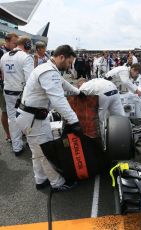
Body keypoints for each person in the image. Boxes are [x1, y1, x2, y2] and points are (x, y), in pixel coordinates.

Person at [15, 45, 82, 191]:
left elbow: (63, 83)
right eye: (69, 62)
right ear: (61, 57)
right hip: (33, 118)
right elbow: (58, 100)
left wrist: (77, 92)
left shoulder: (48, 69)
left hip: (31, 116)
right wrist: (74, 120)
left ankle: (40, 179)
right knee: (45, 152)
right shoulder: (48, 71)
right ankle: (57, 183)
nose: (69, 65)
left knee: (37, 150)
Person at [0, 36, 34, 155]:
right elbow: (30, 80)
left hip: (8, 92)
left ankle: (17, 147)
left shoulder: (4, 56)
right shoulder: (26, 57)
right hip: (22, 94)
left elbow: (3, 75)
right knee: (28, 118)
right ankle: (31, 143)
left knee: (12, 120)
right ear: (27, 45)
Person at [77, 78, 125, 142]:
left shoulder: (83, 87)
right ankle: (125, 137)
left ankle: (101, 142)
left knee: (99, 121)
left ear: (80, 84)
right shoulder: (94, 81)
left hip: (102, 92)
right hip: (114, 89)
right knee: (120, 117)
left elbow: (77, 102)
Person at [0, 32, 18, 142]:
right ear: (7, 41)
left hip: (15, 86)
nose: (16, 45)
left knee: (15, 110)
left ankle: (15, 131)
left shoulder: (15, 52)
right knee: (5, 111)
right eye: (14, 43)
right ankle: (8, 134)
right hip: (3, 86)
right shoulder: (1, 52)